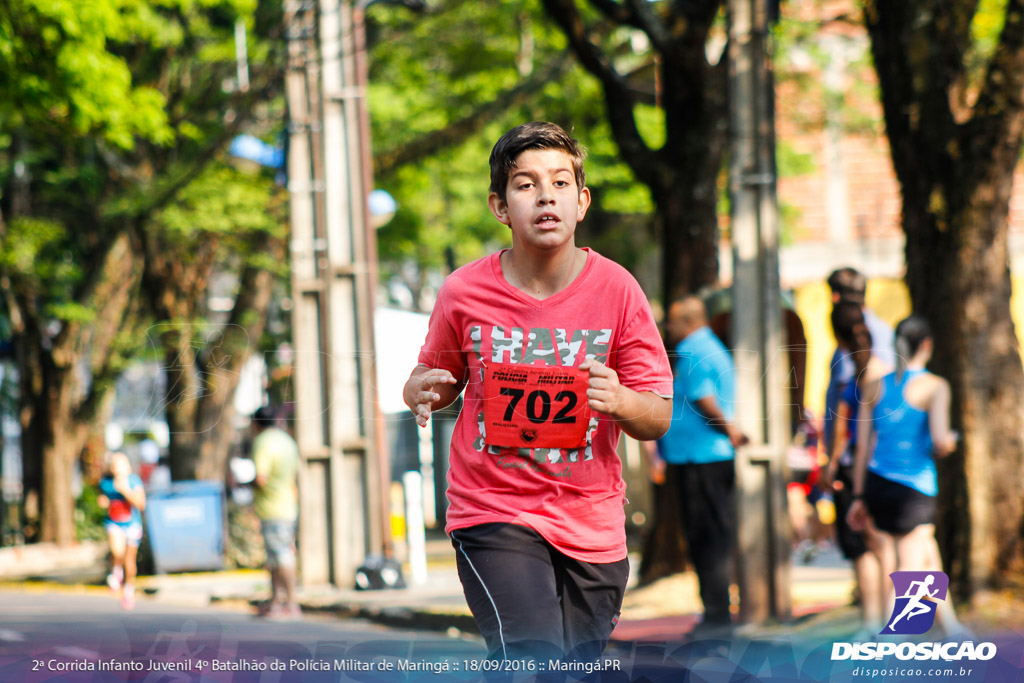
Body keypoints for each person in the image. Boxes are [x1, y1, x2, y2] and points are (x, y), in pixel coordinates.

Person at [403, 122, 673, 664]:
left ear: (582, 201)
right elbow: (434, 374)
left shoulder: (618, 288)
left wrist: (620, 400)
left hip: (592, 522)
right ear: (500, 207)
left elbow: (658, 414)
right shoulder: (464, 291)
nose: (545, 195)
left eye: (560, 183)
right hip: (493, 509)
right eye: (525, 185)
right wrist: (420, 390)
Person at [847, 315, 965, 636]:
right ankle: (890, 635)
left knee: (928, 555)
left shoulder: (873, 385)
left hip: (877, 485)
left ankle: (951, 626)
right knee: (911, 564)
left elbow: (861, 448)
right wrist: (951, 441)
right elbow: (940, 441)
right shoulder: (934, 386)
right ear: (926, 345)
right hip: (915, 486)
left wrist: (857, 497)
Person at [646, 295, 747, 637]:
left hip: (700, 459)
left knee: (707, 538)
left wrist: (729, 429)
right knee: (711, 535)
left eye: (672, 322)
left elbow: (704, 398)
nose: (668, 329)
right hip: (703, 458)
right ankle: (716, 610)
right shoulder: (709, 346)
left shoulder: (692, 350)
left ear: (687, 321)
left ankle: (717, 615)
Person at [819, 301, 888, 636]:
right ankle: (891, 621)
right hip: (884, 467)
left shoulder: (848, 371)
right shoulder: (885, 368)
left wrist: (831, 464)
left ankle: (875, 621)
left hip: (853, 468)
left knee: (863, 546)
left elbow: (843, 427)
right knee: (887, 544)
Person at [823, 268, 895, 465]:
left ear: (836, 297)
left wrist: (832, 461)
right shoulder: (885, 330)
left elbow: (845, 406)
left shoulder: (852, 336)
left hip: (855, 455)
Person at [250, 405, 301, 620]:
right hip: (288, 504)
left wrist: (246, 484)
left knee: (281, 556)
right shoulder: (287, 440)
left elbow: (260, 477)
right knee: (276, 556)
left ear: (256, 424)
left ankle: (291, 603)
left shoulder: (262, 442)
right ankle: (275, 602)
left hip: (272, 507)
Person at [98, 451, 147, 610]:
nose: (116, 467)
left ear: (128, 467)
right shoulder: (106, 482)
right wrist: (104, 501)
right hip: (114, 522)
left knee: (129, 560)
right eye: (114, 465)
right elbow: (104, 498)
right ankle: (116, 571)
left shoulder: (134, 481)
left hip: (131, 523)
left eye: (120, 464)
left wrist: (125, 490)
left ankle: (128, 589)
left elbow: (141, 504)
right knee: (117, 551)